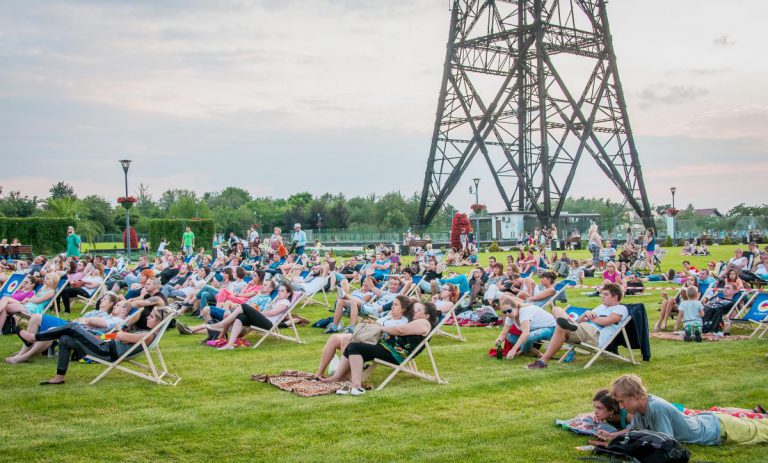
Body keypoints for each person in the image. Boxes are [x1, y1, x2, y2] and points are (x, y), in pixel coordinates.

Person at [23, 306, 173, 386]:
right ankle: (59, 377)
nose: (147, 317)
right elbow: (123, 338)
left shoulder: (147, 336)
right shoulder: (148, 334)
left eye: (151, 316)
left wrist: (123, 335)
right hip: (105, 347)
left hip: (105, 351)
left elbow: (120, 336)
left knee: (73, 327)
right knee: (65, 339)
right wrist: (123, 336)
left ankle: (34, 337)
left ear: (159, 322)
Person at [606, 374, 768, 445]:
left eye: (622, 402)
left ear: (635, 396)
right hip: (710, 421)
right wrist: (614, 438)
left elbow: (666, 442)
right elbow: (636, 432)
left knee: (761, 431)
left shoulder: (656, 407)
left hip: (717, 429)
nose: (621, 407)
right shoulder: (639, 410)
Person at [321, 301, 439, 396]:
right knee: (351, 344)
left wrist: (380, 329)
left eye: (419, 310)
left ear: (426, 316)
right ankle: (336, 377)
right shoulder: (417, 322)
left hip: (394, 354)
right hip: (387, 349)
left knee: (354, 347)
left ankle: (356, 385)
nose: (415, 312)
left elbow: (401, 330)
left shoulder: (424, 323)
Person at [526, 283, 627, 369]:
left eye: (606, 294)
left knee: (561, 327)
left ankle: (543, 361)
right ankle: (566, 322)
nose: (602, 296)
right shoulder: (601, 307)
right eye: (602, 294)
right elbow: (579, 321)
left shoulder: (620, 308)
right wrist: (585, 314)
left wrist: (590, 318)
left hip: (594, 334)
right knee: (556, 309)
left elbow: (607, 321)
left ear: (615, 297)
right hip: (582, 327)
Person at [207, 283, 294, 350]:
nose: (279, 292)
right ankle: (230, 345)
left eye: (282, 291)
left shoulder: (285, 302)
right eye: (279, 290)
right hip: (263, 320)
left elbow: (272, 313)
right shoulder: (278, 301)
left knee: (244, 306)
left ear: (288, 294)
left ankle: (221, 324)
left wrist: (257, 313)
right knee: (240, 317)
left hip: (268, 324)